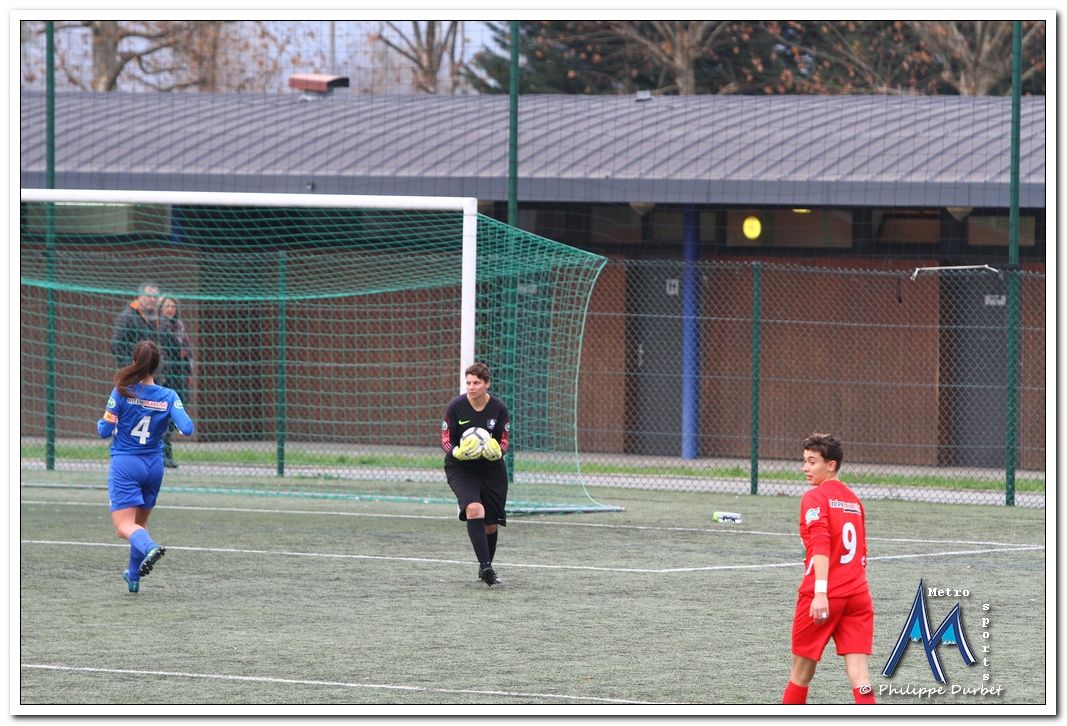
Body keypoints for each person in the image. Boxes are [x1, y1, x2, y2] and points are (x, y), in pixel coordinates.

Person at [782, 433, 876, 704]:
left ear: (831, 465)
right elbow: (862, 551)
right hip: (857, 596)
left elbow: (821, 544)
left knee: (800, 675)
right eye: (805, 461)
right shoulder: (853, 500)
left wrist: (821, 592)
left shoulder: (815, 497)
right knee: (860, 676)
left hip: (824, 595)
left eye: (812, 462)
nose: (805, 467)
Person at [97, 339, 194, 593]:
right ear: (157, 366)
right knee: (139, 524)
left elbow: (104, 431)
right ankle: (133, 577)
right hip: (154, 466)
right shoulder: (169, 396)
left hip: (126, 464)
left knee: (123, 527)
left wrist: (105, 421)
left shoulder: (122, 391)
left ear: (134, 362)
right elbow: (187, 428)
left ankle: (151, 548)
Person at [441, 362, 510, 587]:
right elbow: (446, 440)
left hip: (491, 470)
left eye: (476, 383)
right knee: (474, 508)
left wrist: (498, 451)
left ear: (487, 384)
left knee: (490, 524)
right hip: (461, 468)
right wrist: (457, 452)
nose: (471, 387)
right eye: (468, 382)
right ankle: (486, 567)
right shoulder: (455, 407)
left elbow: (504, 441)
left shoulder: (499, 408)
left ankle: (485, 566)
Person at [157, 296, 195, 468]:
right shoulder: (160, 327)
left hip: (181, 376)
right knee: (166, 413)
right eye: (167, 306)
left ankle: (163, 444)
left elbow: (186, 352)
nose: (170, 309)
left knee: (181, 408)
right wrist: (162, 374)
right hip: (168, 376)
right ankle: (164, 452)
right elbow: (161, 352)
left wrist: (188, 370)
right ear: (161, 308)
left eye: (172, 306)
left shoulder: (179, 326)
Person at [111, 281, 160, 368]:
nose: (152, 299)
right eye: (148, 296)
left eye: (155, 297)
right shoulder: (127, 316)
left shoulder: (161, 317)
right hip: (134, 368)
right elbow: (116, 345)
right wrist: (130, 367)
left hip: (154, 370)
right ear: (140, 296)